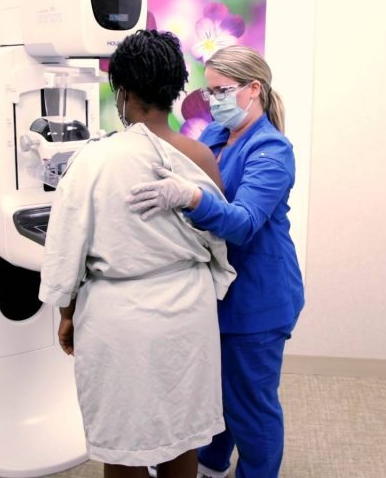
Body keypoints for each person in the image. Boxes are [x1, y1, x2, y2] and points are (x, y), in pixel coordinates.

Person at [38, 30, 236, 478]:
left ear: (122, 92)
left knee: (123, 442)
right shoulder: (201, 157)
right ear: (174, 90)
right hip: (186, 312)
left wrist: (67, 315)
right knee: (181, 437)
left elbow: (68, 246)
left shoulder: (93, 161)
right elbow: (218, 235)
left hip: (117, 317)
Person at [126, 45, 305, 478]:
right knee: (215, 394)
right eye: (208, 93)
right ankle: (210, 464)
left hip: (258, 300)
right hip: (219, 293)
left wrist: (190, 197)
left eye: (222, 91)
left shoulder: (272, 151)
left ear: (253, 90)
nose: (213, 101)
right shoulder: (213, 138)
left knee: (251, 407)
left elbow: (243, 223)